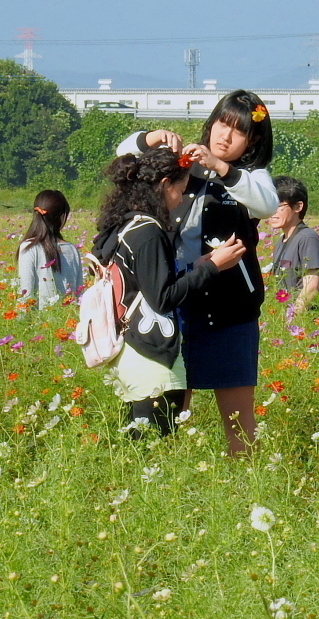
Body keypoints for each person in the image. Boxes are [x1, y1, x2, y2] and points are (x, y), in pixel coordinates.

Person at [116, 89, 279, 455]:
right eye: (222, 123)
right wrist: (154, 139)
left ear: (252, 141)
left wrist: (222, 169)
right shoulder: (183, 162)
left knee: (239, 421)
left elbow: (267, 205)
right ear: (211, 123)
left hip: (231, 312)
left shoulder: (251, 177)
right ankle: (169, 480)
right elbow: (123, 156)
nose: (225, 136)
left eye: (238, 132)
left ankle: (246, 484)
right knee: (170, 410)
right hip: (179, 305)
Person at [92, 148, 245, 438]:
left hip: (129, 351)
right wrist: (212, 266)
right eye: (181, 190)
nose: (182, 199)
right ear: (164, 185)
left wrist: (197, 267)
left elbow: (146, 283)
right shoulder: (149, 232)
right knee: (152, 447)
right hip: (152, 356)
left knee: (137, 445)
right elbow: (162, 298)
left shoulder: (125, 225)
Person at [269, 175, 319, 313]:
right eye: (270, 205)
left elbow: (311, 284)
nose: (273, 212)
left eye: (278, 206)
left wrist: (294, 316)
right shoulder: (282, 241)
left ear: (298, 206)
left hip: (306, 320)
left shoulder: (307, 238)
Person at [17, 190, 83, 309]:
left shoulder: (30, 247)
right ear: (62, 216)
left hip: (40, 323)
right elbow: (79, 295)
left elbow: (25, 294)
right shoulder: (72, 249)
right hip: (68, 322)